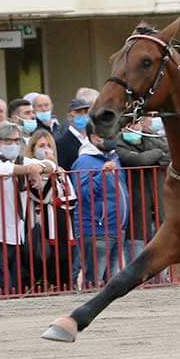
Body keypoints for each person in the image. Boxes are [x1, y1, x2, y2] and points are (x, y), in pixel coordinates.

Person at [0, 122, 52, 295]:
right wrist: (30, 169)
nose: (14, 144)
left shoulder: (20, 159)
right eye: (8, 141)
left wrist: (37, 167)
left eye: (17, 141)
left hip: (15, 233)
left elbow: (51, 164)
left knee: (14, 285)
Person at [73, 123, 129, 288]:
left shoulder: (114, 158)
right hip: (97, 230)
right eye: (109, 135)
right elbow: (82, 193)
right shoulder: (84, 162)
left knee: (114, 282)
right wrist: (102, 176)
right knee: (94, 281)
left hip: (117, 228)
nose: (113, 138)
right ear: (95, 137)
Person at [23, 129, 77, 291]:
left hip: (62, 223)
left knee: (64, 258)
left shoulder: (60, 171)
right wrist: (48, 171)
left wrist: (57, 201)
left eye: (48, 145)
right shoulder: (30, 171)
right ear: (32, 150)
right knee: (43, 258)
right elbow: (41, 196)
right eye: (41, 146)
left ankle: (64, 288)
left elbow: (72, 198)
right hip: (41, 223)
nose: (46, 149)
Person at [114, 120, 169, 270]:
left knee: (160, 256)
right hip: (136, 209)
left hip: (158, 207)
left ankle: (160, 282)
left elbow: (170, 155)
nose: (133, 128)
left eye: (135, 124)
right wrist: (158, 154)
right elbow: (140, 160)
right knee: (137, 256)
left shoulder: (151, 136)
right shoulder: (118, 144)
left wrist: (152, 157)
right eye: (128, 125)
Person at [56, 96, 92, 169]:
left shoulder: (93, 139)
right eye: (78, 112)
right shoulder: (61, 143)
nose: (83, 115)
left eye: (85, 112)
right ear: (69, 116)